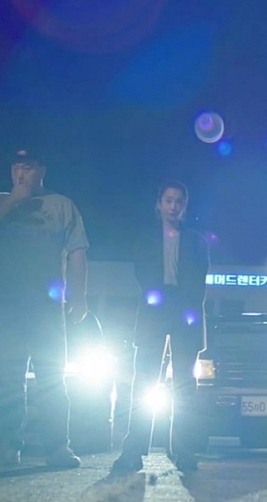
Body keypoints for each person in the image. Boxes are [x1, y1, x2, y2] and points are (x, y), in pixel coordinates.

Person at [0, 147, 89, 468]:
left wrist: (79, 296)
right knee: (9, 380)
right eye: (17, 167)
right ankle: (7, 447)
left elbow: (77, 251)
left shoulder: (61, 205)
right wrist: (12, 199)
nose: (21, 173)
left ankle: (58, 448)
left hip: (46, 309)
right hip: (7, 306)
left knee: (52, 378)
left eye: (29, 167)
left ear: (41, 171)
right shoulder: (0, 201)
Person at [112, 181, 210, 474]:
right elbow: (143, 275)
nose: (173, 206)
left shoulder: (197, 241)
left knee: (184, 387)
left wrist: (187, 308)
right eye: (168, 200)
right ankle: (134, 450)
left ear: (184, 206)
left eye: (178, 201)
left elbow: (199, 282)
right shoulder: (145, 238)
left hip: (185, 312)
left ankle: (183, 450)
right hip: (155, 313)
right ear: (159, 204)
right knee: (143, 382)